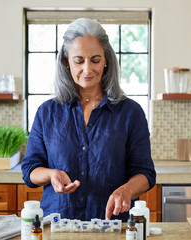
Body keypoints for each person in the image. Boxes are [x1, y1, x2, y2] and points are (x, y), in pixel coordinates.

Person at [21, 18, 156, 222]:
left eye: (95, 60)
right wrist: (51, 174)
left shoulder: (131, 113)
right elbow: (30, 169)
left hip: (113, 225)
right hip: (57, 225)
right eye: (78, 61)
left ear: (106, 60)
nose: (87, 69)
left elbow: (145, 173)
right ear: (66, 61)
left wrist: (127, 190)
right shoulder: (47, 112)